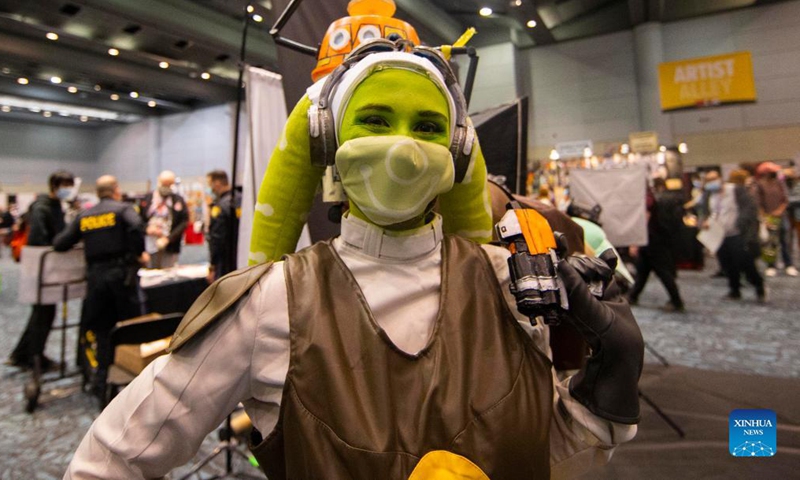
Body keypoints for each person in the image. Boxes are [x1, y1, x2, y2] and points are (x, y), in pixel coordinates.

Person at [65, 47, 643, 479]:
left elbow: (534, 448)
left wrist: (603, 398)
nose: (403, 149)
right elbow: (112, 458)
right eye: (374, 120)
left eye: (426, 127)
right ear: (327, 142)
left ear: (457, 150)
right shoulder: (272, 302)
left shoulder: (507, 280)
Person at [53, 175, 148, 396]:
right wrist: (137, 253)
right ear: (115, 189)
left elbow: (60, 243)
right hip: (121, 277)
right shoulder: (123, 209)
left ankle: (101, 379)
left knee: (102, 330)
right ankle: (133, 379)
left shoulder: (85, 215)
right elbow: (136, 227)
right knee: (130, 327)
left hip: (95, 278)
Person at [6, 170, 74, 370]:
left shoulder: (56, 206)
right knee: (42, 314)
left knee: (43, 314)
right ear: (55, 186)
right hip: (40, 268)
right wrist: (59, 244)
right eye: (66, 186)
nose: (68, 190)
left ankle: (22, 354)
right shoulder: (41, 207)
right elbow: (38, 239)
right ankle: (33, 357)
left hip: (52, 268)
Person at [627, 178, 686, 312]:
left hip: (652, 241)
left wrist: (635, 242)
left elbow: (644, 221)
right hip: (655, 240)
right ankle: (633, 296)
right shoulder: (651, 197)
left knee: (662, 272)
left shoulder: (647, 199)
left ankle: (677, 301)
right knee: (643, 271)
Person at [712, 170, 765, 302]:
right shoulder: (712, 195)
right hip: (720, 234)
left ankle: (758, 285)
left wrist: (740, 224)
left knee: (745, 262)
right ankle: (734, 290)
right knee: (727, 264)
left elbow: (750, 208)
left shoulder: (735, 190)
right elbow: (711, 212)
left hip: (737, 234)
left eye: (712, 179)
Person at [139, 170, 188, 269]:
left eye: (169, 185)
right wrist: (147, 229)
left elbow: (184, 222)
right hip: (149, 245)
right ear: (158, 181)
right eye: (164, 184)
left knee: (168, 274)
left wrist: (168, 239)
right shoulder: (147, 198)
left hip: (169, 245)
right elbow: (138, 221)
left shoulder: (178, 200)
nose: (166, 187)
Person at [755, 162, 796, 277]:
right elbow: (758, 204)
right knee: (770, 243)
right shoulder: (760, 184)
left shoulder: (780, 183)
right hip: (768, 218)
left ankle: (789, 264)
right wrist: (764, 218)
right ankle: (771, 265)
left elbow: (785, 200)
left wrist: (779, 211)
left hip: (782, 216)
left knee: (785, 241)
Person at [205, 169, 241, 282]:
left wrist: (213, 266)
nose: (210, 189)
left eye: (210, 185)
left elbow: (217, 238)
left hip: (226, 263)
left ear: (217, 183)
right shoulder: (242, 199)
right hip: (242, 256)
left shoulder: (220, 207)